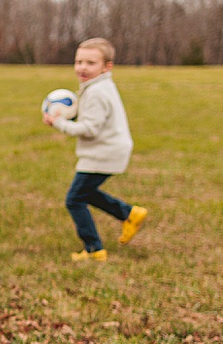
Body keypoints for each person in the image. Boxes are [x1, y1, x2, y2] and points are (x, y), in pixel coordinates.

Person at [43, 37, 148, 261]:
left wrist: (59, 122)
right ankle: (129, 213)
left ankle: (94, 249)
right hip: (109, 150)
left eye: (90, 63)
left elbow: (90, 129)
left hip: (104, 153)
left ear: (106, 67)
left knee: (74, 199)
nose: (82, 67)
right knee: (86, 193)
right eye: (79, 61)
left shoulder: (97, 92)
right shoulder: (100, 86)